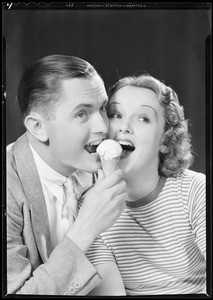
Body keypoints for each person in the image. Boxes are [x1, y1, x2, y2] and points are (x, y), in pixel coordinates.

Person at [6, 54, 127, 295]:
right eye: (82, 114)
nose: (103, 127)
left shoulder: (95, 172)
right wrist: (86, 227)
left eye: (102, 108)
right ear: (38, 127)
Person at [86, 74, 206, 295]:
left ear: (165, 139)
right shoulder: (89, 207)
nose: (124, 127)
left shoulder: (196, 192)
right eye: (116, 114)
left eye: (143, 118)